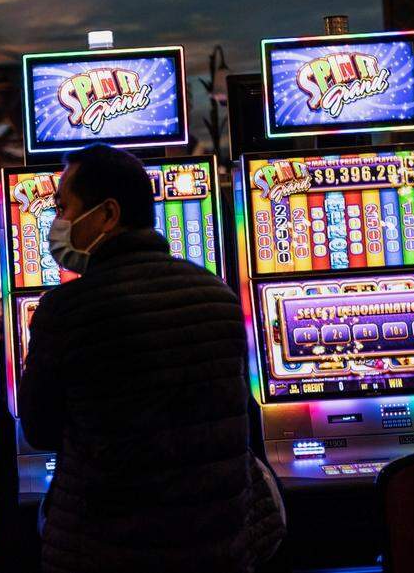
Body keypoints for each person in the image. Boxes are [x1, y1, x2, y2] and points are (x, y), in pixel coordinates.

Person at [19, 145, 283, 573]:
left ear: (107, 214)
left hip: (112, 546)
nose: (57, 223)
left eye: (63, 207)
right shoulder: (217, 293)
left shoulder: (67, 309)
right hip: (215, 543)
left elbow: (39, 430)